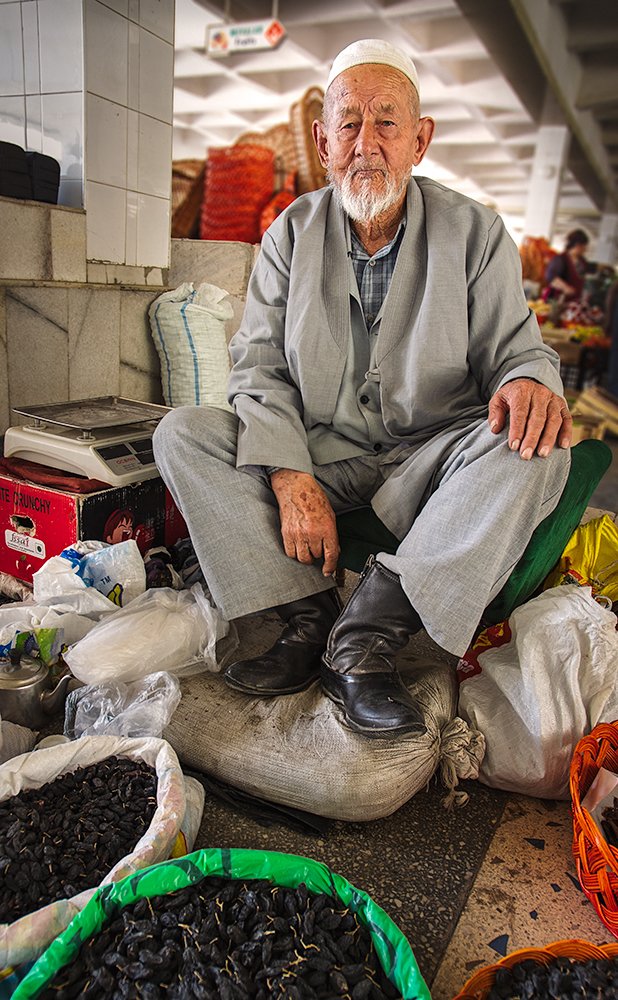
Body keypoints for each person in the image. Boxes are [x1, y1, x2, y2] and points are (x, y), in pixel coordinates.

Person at [153, 39, 572, 738]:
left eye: (387, 121)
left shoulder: (476, 232)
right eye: (349, 123)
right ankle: (305, 612)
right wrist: (289, 475)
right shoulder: (289, 234)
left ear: (420, 140)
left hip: (434, 458)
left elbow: (516, 349)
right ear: (323, 141)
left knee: (541, 447)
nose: (366, 143)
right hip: (321, 452)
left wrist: (531, 379)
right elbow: (258, 367)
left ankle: (364, 637)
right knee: (183, 434)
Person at [542, 228, 591, 304]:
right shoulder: (561, 259)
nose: (585, 250)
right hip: (559, 300)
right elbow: (550, 276)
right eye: (584, 246)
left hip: (575, 300)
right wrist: (565, 288)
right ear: (578, 245)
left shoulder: (582, 261)